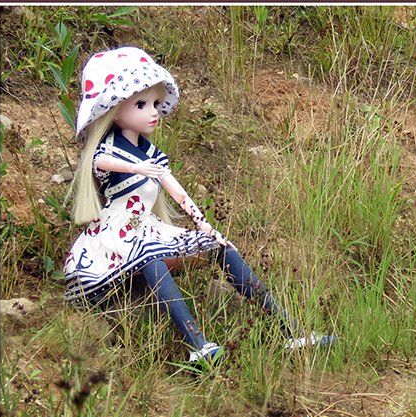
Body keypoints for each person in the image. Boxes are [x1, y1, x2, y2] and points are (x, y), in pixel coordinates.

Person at [63, 46, 334, 364]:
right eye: (141, 104)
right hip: (117, 235)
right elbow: (101, 162)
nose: (153, 112)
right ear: (116, 111)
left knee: (218, 244)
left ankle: (291, 331)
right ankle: (198, 345)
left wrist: (200, 221)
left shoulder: (150, 152)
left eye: (154, 103)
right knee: (148, 256)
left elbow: (178, 193)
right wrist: (136, 169)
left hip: (146, 228)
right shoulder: (110, 150)